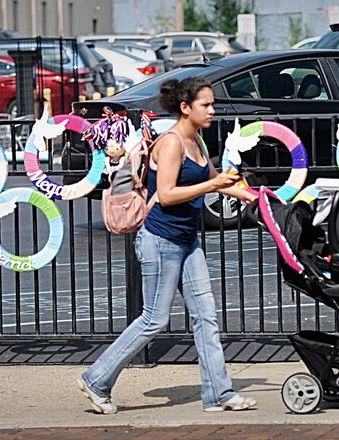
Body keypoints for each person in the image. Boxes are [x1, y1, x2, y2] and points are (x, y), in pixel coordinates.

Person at [77, 76, 258, 414]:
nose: (212, 110)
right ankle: (96, 379)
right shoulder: (172, 143)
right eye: (206, 105)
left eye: (213, 104)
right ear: (186, 108)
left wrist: (257, 198)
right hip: (161, 241)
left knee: (206, 316)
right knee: (153, 319)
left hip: (188, 240)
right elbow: (169, 194)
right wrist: (213, 185)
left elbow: (216, 183)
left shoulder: (198, 142)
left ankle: (219, 394)